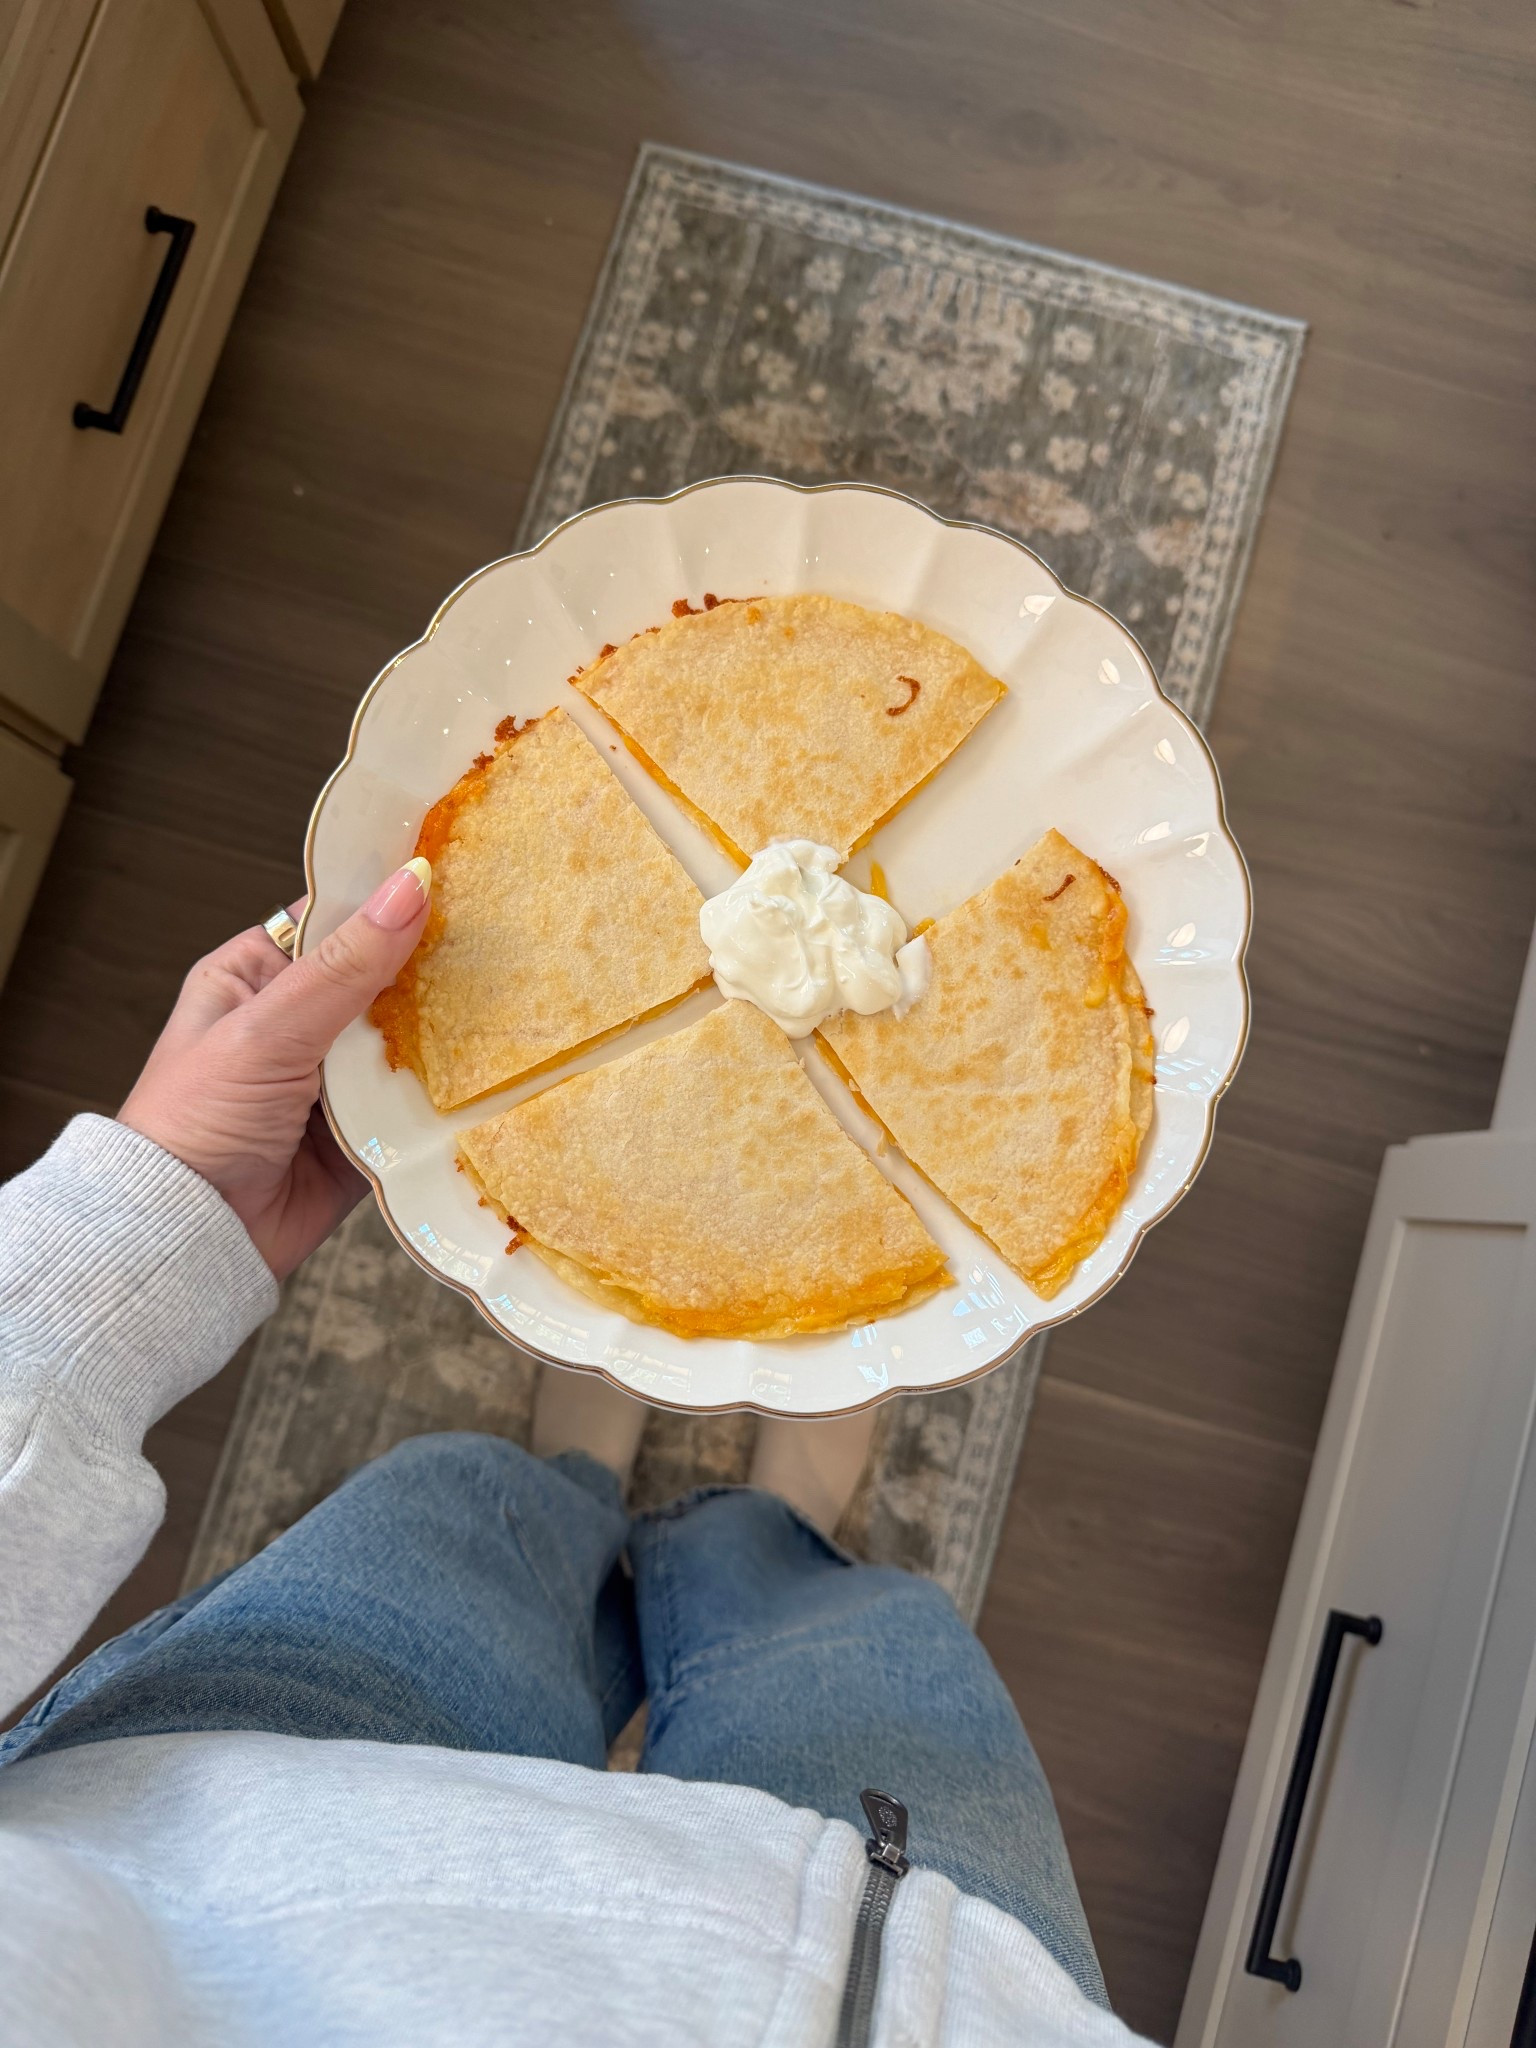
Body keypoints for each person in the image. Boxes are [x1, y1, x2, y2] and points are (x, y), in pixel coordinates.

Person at [0, 859, 1147, 2046]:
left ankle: (580, 1481)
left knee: (467, 1504)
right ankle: (769, 1524)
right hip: (920, 1971)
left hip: (213, 1796)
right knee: (837, 1627)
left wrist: (143, 1218)